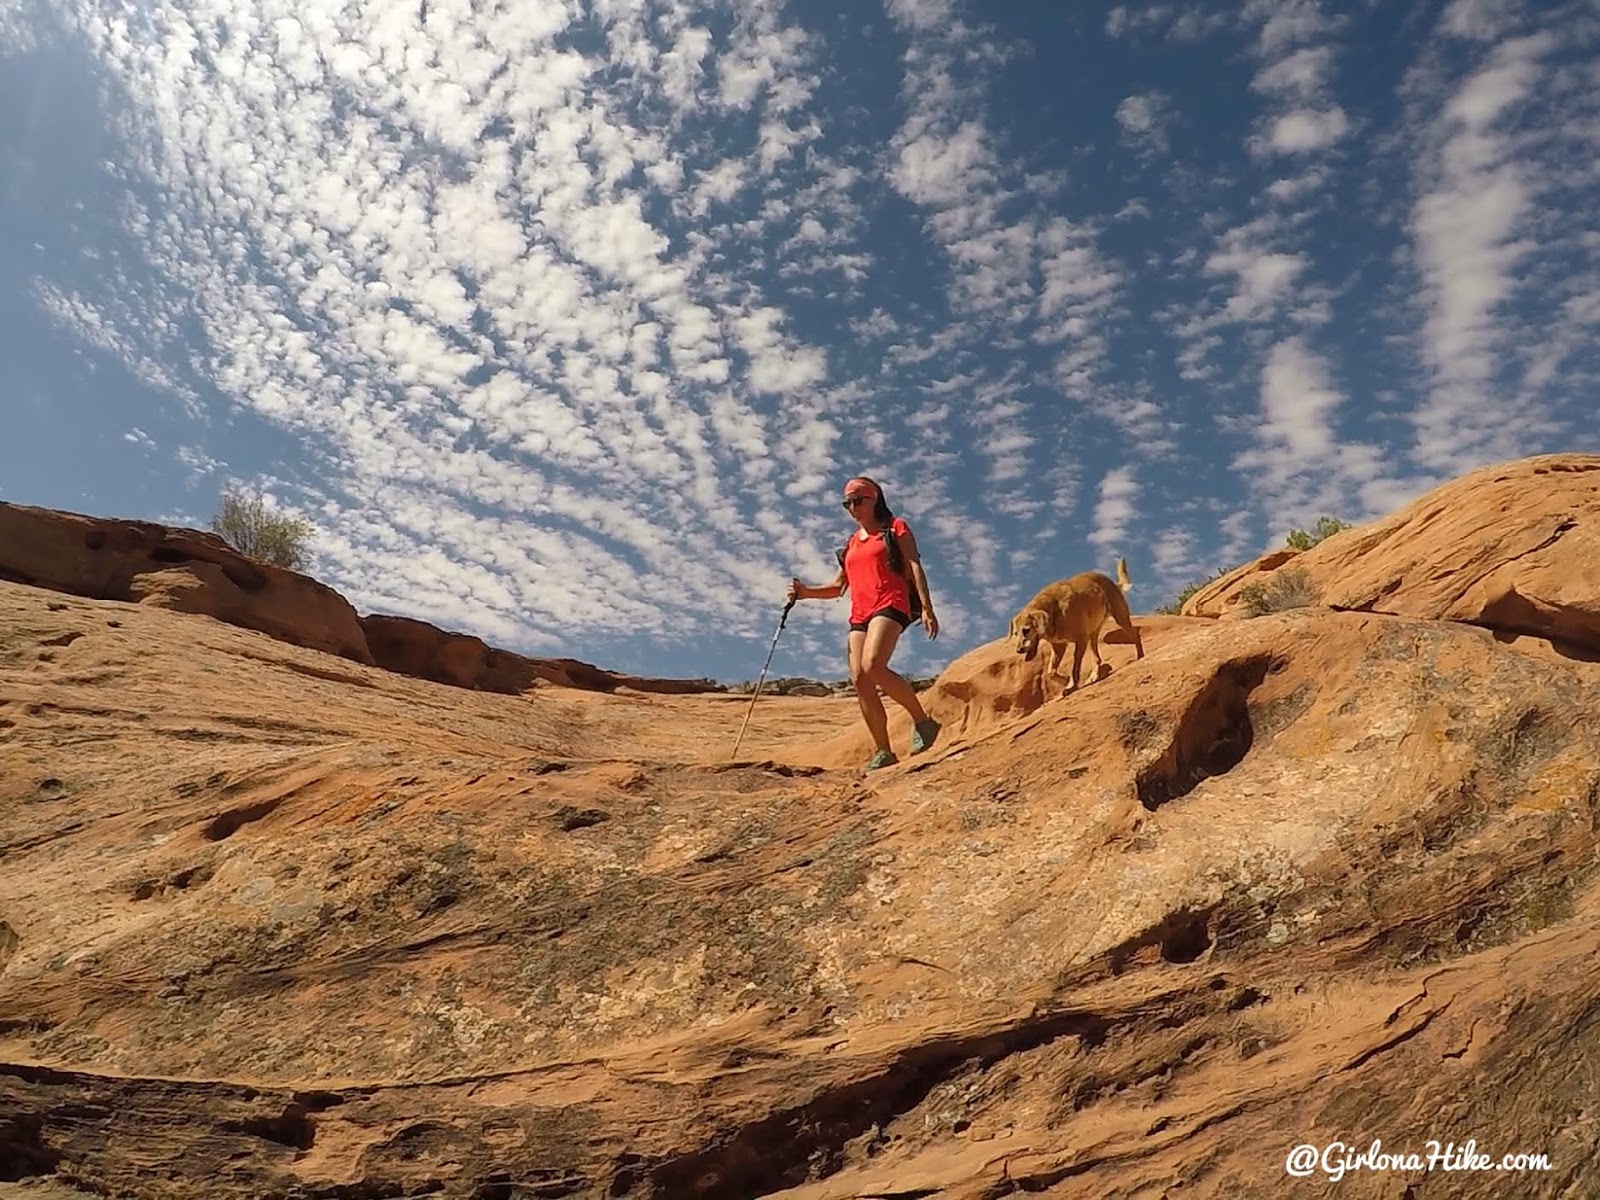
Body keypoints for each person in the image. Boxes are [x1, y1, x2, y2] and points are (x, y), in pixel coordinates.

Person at [787, 476, 941, 770]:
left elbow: (913, 565)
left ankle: (923, 722)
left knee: (874, 665)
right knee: (860, 678)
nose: (853, 507)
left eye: (859, 500)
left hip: (891, 602)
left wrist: (926, 607)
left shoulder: (895, 528)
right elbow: (837, 587)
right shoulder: (850, 545)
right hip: (860, 613)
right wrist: (805, 593)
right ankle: (883, 750)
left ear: (875, 499)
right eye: (848, 503)